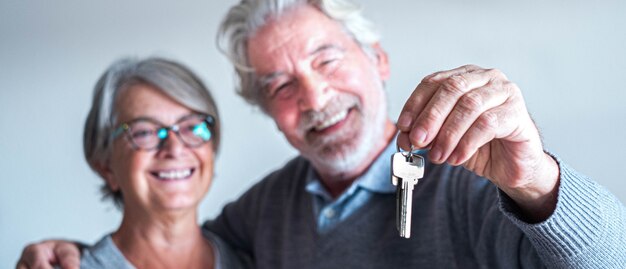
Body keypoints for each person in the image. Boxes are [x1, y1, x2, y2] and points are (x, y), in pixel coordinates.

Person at [17, 0, 626, 268]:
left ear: (378, 60)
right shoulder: (265, 212)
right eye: (280, 86)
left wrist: (540, 182)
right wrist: (81, 253)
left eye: (328, 60)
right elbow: (175, 243)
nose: (314, 97)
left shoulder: (477, 180)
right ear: (267, 110)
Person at [16, 57, 245, 269]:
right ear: (105, 165)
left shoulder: (252, 259)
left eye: (193, 127)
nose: (175, 148)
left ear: (211, 150)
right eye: (145, 132)